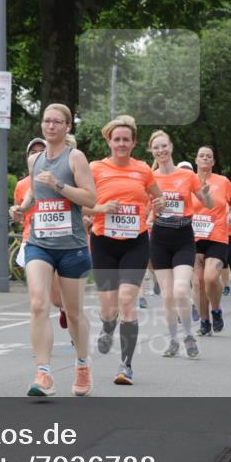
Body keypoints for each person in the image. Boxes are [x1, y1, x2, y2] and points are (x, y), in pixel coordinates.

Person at [10, 104, 97, 397]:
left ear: (67, 126)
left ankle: (82, 364)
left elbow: (90, 198)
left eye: (57, 122)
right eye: (46, 121)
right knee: (37, 304)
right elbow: (34, 193)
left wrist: (59, 184)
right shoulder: (35, 160)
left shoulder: (76, 158)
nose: (50, 126)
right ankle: (43, 373)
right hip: (39, 242)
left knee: (73, 313)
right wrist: (21, 209)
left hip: (71, 245)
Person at [87, 116, 163, 384]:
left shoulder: (143, 169)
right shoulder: (95, 168)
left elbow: (158, 196)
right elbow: (79, 204)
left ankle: (125, 366)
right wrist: (99, 209)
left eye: (126, 140)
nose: (121, 143)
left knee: (128, 300)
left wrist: (160, 204)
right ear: (109, 141)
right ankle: (108, 326)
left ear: (133, 143)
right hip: (103, 242)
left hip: (135, 242)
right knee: (108, 308)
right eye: (116, 139)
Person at [149, 130, 211, 359]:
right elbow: (145, 205)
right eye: (156, 148)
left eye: (164, 146)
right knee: (167, 296)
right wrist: (153, 208)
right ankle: (173, 339)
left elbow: (208, 202)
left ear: (171, 147)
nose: (161, 151)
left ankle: (188, 336)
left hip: (183, 236)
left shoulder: (187, 176)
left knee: (181, 290)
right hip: (160, 238)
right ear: (152, 151)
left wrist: (207, 194)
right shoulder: (150, 176)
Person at [14, 138, 67, 328]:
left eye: (40, 151)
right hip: (32, 240)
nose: (36, 155)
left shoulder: (63, 175)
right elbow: (22, 211)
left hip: (59, 239)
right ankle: (40, 335)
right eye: (32, 152)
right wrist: (18, 212)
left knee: (56, 297)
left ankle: (64, 309)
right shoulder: (22, 185)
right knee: (38, 299)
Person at [191, 145, 231, 336]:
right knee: (199, 282)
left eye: (209, 156)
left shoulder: (223, 181)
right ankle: (204, 321)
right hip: (193, 237)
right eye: (202, 156)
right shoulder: (188, 180)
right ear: (196, 160)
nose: (205, 159)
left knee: (210, 278)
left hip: (217, 235)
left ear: (213, 161)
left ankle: (216, 310)